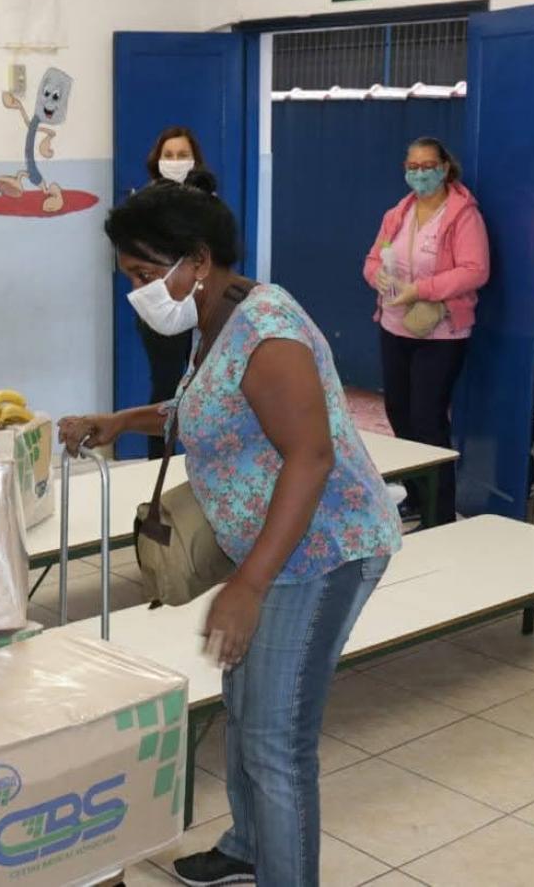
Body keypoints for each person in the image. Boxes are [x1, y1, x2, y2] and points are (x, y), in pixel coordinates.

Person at [58, 175, 400, 887]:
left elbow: (311, 455)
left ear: (199, 260)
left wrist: (247, 584)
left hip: (321, 550)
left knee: (277, 740)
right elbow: (204, 402)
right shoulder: (216, 312)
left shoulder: (268, 334)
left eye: (147, 274)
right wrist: (120, 422)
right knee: (247, 709)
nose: (139, 290)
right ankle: (248, 847)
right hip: (271, 545)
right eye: (129, 275)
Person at [363, 137, 489, 525]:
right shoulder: (397, 213)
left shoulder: (463, 215)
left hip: (441, 333)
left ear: (445, 167)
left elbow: (475, 270)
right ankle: (415, 496)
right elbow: (371, 260)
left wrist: (421, 290)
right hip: (395, 326)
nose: (420, 173)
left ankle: (440, 513)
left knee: (428, 419)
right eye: (412, 166)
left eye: (427, 165)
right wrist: (378, 277)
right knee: (398, 412)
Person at [136, 126, 208, 458]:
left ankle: (199, 461)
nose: (175, 162)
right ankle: (158, 462)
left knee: (201, 385)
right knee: (165, 387)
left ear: (194, 161)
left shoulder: (206, 203)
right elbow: (137, 259)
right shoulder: (144, 204)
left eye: (182, 156)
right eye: (169, 155)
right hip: (161, 305)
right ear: (158, 160)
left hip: (202, 302)